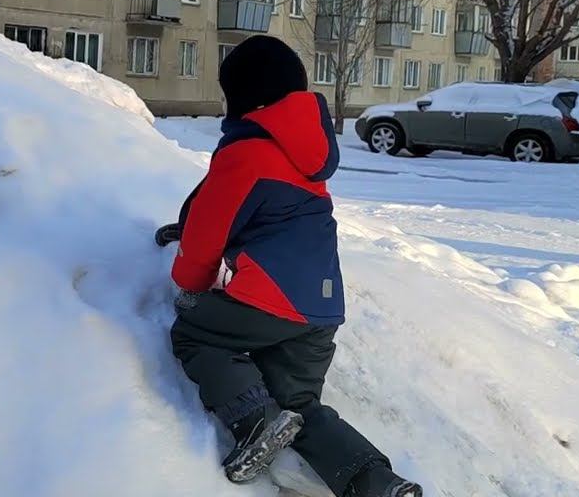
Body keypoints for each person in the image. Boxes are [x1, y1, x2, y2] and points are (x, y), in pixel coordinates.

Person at [165, 36, 423, 497]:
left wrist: (191, 284)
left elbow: (206, 231)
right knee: (300, 402)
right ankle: (376, 482)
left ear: (242, 97)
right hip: (321, 309)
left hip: (270, 299)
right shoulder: (306, 157)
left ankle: (253, 421)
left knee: (197, 335)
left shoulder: (245, 153)